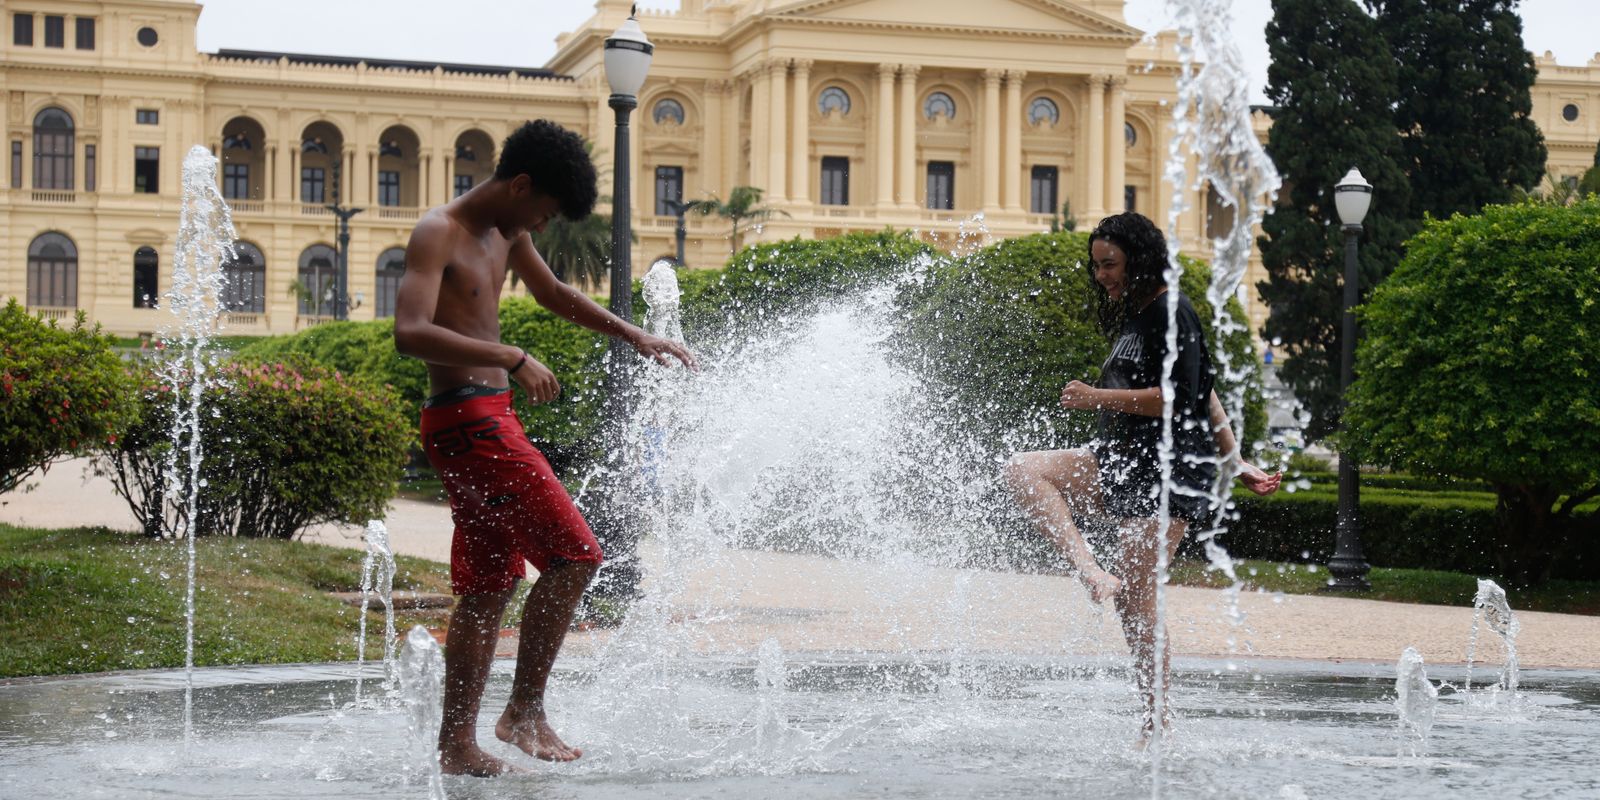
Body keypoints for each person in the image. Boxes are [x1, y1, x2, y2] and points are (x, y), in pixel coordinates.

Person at [394, 119, 697, 776]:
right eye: (545, 208)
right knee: (576, 554)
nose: (544, 222)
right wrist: (510, 353)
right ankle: (523, 710)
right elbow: (410, 332)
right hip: (470, 421)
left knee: (486, 587)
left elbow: (556, 294)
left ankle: (456, 748)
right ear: (522, 184)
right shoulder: (438, 231)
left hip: (480, 418)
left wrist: (637, 336)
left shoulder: (509, 232)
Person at [1002, 212, 1281, 744]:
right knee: (1024, 469)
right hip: (1119, 455)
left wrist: (1096, 397)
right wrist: (1238, 458)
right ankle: (1089, 570)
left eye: (1110, 264)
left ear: (1138, 257)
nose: (1102, 274)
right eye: (1097, 266)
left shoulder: (1173, 311)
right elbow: (1211, 391)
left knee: (1138, 599)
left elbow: (1184, 397)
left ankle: (1158, 724)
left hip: (1169, 470)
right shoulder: (1136, 312)